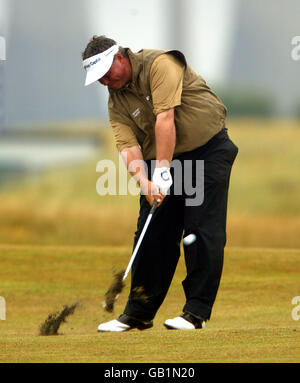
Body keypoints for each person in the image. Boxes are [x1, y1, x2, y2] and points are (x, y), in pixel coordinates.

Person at [82, 35, 238, 332]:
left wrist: (163, 171)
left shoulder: (160, 64)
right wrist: (145, 182)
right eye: (98, 78)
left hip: (207, 150)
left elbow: (165, 118)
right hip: (165, 158)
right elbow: (128, 147)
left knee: (200, 231)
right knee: (152, 232)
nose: (104, 81)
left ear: (119, 58)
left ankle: (195, 313)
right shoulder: (116, 100)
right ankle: (138, 313)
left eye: (106, 73)